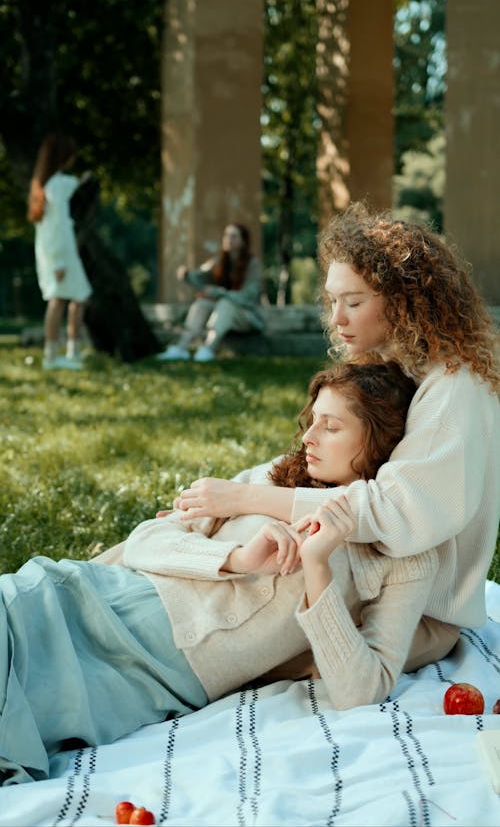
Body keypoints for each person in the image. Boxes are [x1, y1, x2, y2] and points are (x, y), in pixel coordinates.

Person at [0, 361, 439, 787]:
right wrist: (237, 559)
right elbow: (147, 538)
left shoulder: (403, 556)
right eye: (312, 420)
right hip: (89, 599)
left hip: (151, 675)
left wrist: (319, 566)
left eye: (331, 426)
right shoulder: (271, 480)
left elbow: (360, 692)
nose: (308, 437)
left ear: (379, 439)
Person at [170, 203, 500, 650]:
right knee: (212, 551)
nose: (337, 318)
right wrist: (220, 497)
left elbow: (394, 511)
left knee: (234, 590)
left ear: (403, 301)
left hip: (413, 615)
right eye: (332, 301)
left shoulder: (455, 386)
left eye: (354, 302)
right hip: (365, 577)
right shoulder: (388, 359)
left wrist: (248, 496)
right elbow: (324, 462)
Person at [156, 223, 265, 362]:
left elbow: (247, 297)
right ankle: (181, 347)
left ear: (243, 241)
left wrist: (219, 293)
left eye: (234, 236)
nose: (228, 239)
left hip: (247, 317)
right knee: (202, 304)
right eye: (226, 235)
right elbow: (202, 276)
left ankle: (209, 348)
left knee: (226, 304)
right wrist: (187, 275)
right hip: (222, 315)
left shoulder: (252, 264)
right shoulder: (219, 261)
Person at [28, 133, 92, 370]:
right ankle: (52, 356)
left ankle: (71, 352)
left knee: (79, 297)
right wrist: (57, 261)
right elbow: (55, 227)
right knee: (58, 300)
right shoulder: (56, 186)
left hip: (58, 251)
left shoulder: (45, 185)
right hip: (59, 253)